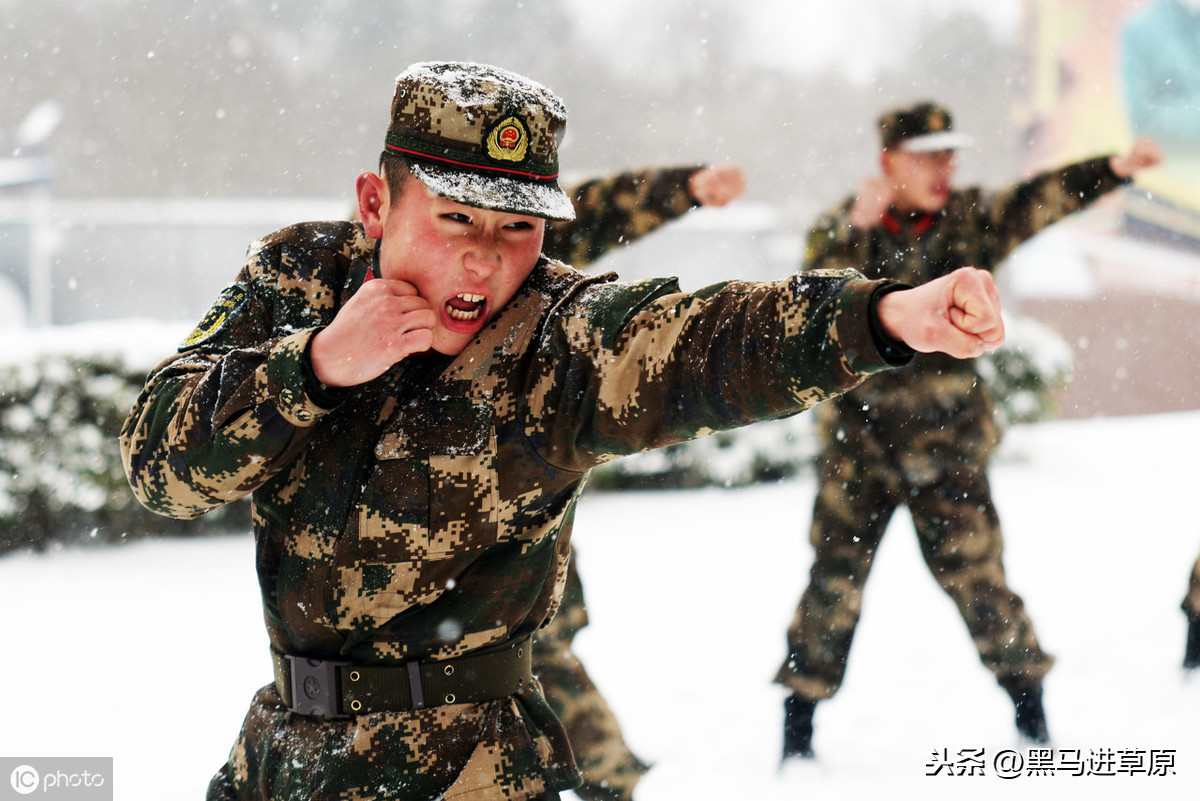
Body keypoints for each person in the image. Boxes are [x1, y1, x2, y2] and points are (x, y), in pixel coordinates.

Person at [121, 64, 1007, 801]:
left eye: (517, 229)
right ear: (375, 204)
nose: (482, 260)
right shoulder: (298, 278)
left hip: (466, 769)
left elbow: (705, 342)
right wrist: (312, 366)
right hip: (279, 757)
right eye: (456, 219)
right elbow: (158, 464)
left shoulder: (558, 338)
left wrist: (882, 319)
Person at [773, 101, 1163, 760]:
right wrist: (850, 228)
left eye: (949, 153)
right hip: (858, 450)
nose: (944, 167)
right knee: (831, 586)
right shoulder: (845, 227)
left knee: (982, 583)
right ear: (888, 161)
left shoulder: (970, 219)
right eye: (927, 154)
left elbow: (1044, 198)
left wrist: (1115, 168)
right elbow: (807, 304)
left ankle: (1032, 718)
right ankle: (797, 731)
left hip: (947, 449)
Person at [536, 161, 747, 801]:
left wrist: (682, 190)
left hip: (518, 529)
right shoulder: (356, 275)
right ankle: (608, 774)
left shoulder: (514, 250)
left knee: (533, 659)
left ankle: (610, 776)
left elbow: (590, 211)